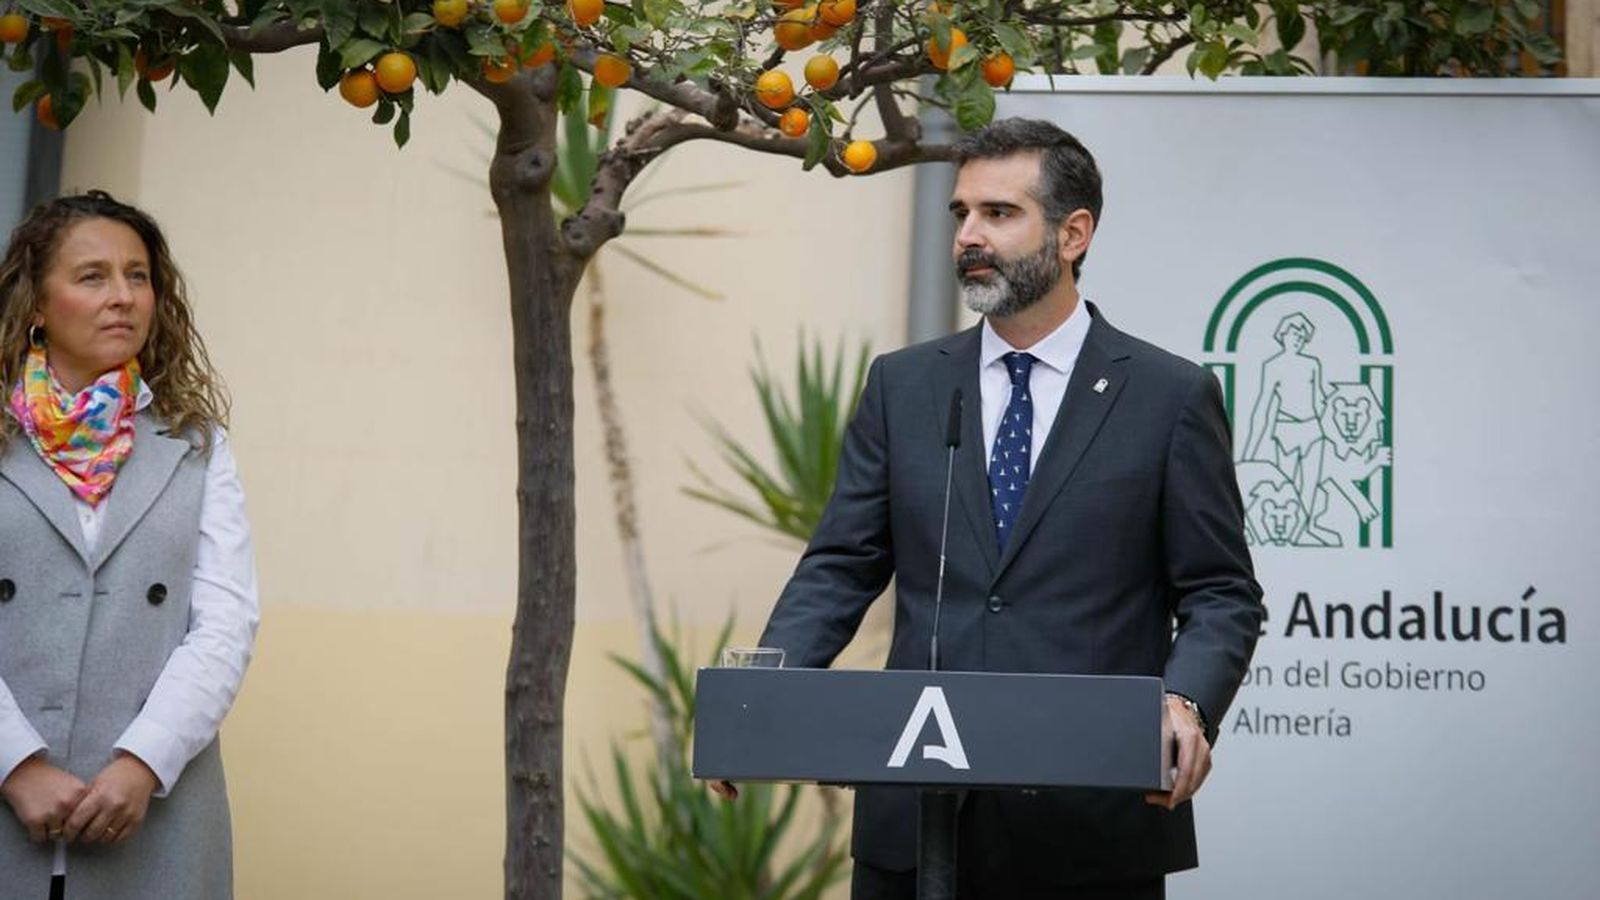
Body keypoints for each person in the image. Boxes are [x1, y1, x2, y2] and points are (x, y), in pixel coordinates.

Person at [741, 119, 1265, 899]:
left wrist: (1185, 702)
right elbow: (841, 564)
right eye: (961, 214)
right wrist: (762, 701)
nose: (970, 237)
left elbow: (1221, 592)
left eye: (999, 213)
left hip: (1090, 825)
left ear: (1073, 233)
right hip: (918, 827)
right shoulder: (905, 386)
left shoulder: (1168, 397)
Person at [0, 192, 259, 900]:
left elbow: (226, 622)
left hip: (155, 819)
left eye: (137, 275)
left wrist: (142, 763)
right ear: (36, 304)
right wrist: (16, 765)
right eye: (92, 277)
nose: (122, 297)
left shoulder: (197, 445)